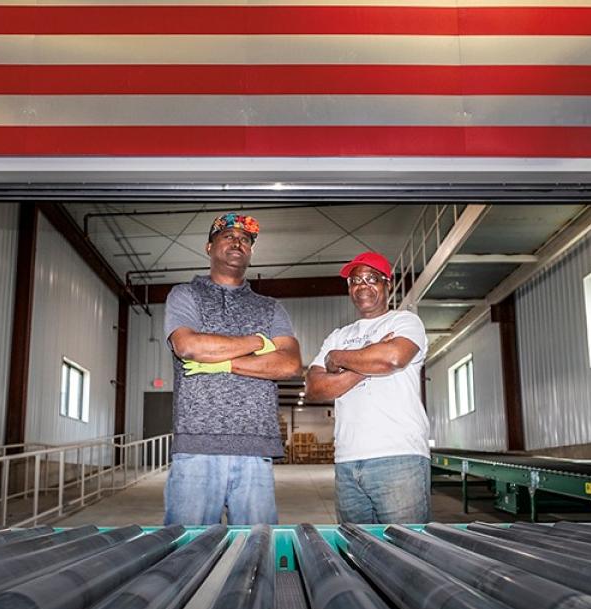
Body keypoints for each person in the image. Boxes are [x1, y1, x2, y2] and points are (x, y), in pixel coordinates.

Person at [163, 212, 303, 525]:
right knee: (188, 554)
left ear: (251, 251)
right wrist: (257, 341)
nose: (237, 242)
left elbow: (290, 364)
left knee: (256, 553)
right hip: (197, 447)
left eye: (245, 239)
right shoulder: (185, 295)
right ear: (209, 247)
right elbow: (188, 346)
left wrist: (223, 362)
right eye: (227, 236)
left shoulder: (270, 307)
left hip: (255, 447)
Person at [305, 251, 431, 524]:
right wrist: (369, 360)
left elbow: (393, 358)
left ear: (387, 283)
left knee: (406, 550)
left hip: (399, 456)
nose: (362, 286)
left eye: (372, 278)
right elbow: (315, 388)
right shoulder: (338, 336)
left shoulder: (405, 322)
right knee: (356, 551)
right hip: (347, 462)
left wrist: (339, 359)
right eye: (355, 281)